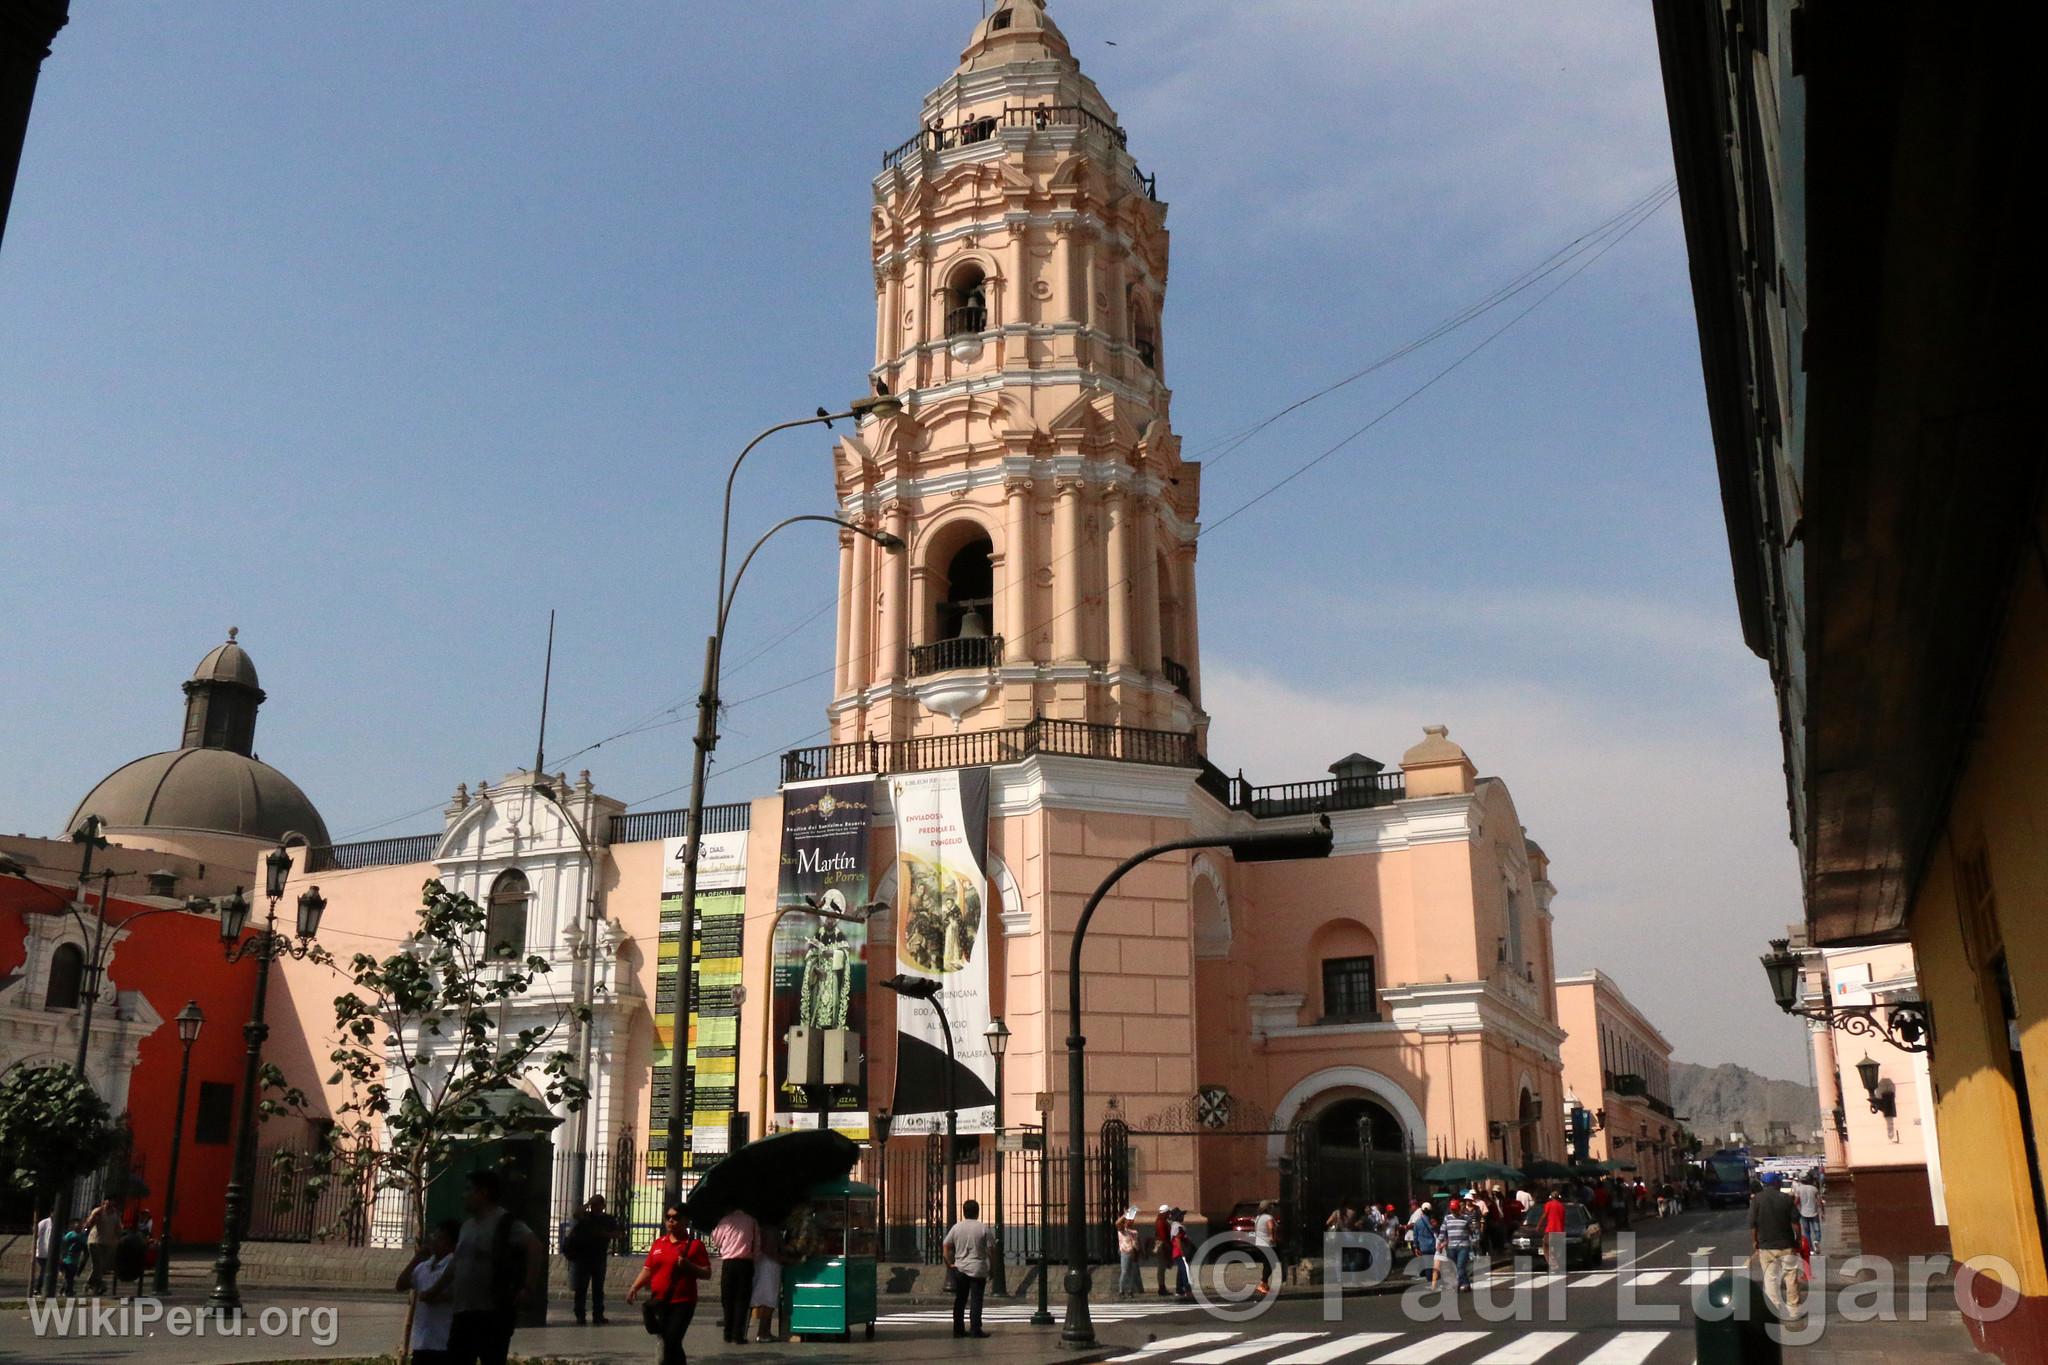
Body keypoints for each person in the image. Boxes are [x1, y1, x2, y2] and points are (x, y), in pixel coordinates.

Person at [446, 1168, 545, 1365]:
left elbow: (535, 1246)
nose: (464, 1195)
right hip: (463, 1311)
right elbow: (456, 1262)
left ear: (483, 1193)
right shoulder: (467, 1226)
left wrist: (528, 1287)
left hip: (492, 1312)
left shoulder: (504, 1223)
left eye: (469, 1190)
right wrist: (435, 1288)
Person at [627, 1205, 711, 1365]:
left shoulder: (695, 1245)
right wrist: (634, 1287)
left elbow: (707, 1273)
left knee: (672, 1338)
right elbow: (648, 1269)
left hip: (683, 1301)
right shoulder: (659, 1243)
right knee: (668, 1341)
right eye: (668, 1217)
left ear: (686, 1221)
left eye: (676, 1217)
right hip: (660, 1300)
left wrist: (689, 1267)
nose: (671, 1220)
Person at [396, 1219, 460, 1365]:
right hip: (422, 1342)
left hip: (444, 1342)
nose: (435, 1242)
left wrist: (439, 1297)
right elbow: (401, 1285)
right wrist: (417, 1258)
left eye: (441, 1239)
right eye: (434, 1237)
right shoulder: (423, 1266)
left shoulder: (453, 1266)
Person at [1749, 1172, 1806, 1319]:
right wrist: (1798, 1240)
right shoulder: (1786, 1199)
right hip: (1786, 1243)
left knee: (1770, 1278)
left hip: (1766, 1246)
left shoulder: (1757, 1200)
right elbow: (1795, 1223)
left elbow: (1753, 1224)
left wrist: (1755, 1241)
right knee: (1790, 1276)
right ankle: (1793, 1310)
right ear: (1775, 1184)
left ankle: (1774, 1309)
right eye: (1779, 1182)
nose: (1780, 1184)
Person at [562, 1194, 618, 1325]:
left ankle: (598, 1315)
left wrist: (603, 1234)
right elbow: (576, 1214)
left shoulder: (608, 1219)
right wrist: (588, 1203)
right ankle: (580, 1315)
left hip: (599, 1257)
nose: (595, 1207)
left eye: (598, 1204)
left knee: (598, 1289)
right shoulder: (586, 1217)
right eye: (594, 1204)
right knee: (581, 1288)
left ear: (603, 1206)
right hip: (583, 1257)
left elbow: (617, 1233)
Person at [943, 1197, 994, 1338]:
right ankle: (975, 1329)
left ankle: (958, 1329)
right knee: (976, 1300)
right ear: (977, 1212)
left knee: (960, 1299)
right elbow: (991, 1250)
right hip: (978, 1267)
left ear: (964, 1212)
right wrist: (992, 1267)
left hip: (960, 1268)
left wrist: (949, 1262)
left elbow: (946, 1245)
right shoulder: (983, 1228)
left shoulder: (956, 1227)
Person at [709, 1208, 760, 1345]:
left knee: (727, 1299)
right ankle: (738, 1334)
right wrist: (754, 1261)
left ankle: (728, 1332)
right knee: (742, 1300)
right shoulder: (752, 1221)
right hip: (745, 1263)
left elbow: (716, 1240)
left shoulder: (725, 1221)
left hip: (729, 1263)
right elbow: (756, 1245)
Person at [747, 1223, 787, 1343]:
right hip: (770, 1267)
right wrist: (786, 1259)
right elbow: (771, 1251)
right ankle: (763, 1332)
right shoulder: (771, 1231)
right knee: (768, 1300)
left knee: (766, 1299)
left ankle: (764, 1331)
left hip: (762, 1264)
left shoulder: (760, 1229)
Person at [84, 1197, 122, 1295]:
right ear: (104, 1203)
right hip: (95, 1242)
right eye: (107, 1204)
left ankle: (91, 1284)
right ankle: (97, 1285)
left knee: (101, 1267)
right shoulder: (98, 1211)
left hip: (108, 1243)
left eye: (112, 1204)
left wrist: (119, 1239)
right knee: (98, 1265)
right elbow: (88, 1224)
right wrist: (94, 1218)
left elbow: (118, 1228)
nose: (110, 1206)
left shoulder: (116, 1214)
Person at [1440, 1198, 1475, 1291]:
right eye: (1452, 1209)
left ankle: (1458, 1285)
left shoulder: (1466, 1218)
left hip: (1463, 1246)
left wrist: (1474, 1240)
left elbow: (1472, 1230)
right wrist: (1440, 1242)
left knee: (1460, 1266)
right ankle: (1466, 1283)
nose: (1453, 1211)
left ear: (1459, 1208)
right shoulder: (1447, 1218)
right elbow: (1443, 1230)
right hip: (1451, 1247)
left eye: (1455, 1209)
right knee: (1455, 1268)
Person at [1790, 1169, 1824, 1256]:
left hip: (1803, 1214)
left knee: (1807, 1232)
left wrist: (1792, 1209)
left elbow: (1796, 1201)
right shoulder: (1814, 1189)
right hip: (1814, 1213)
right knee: (1817, 1231)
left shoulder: (1799, 1189)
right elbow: (1819, 1201)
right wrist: (1822, 1212)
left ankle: (1811, 1249)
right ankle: (1816, 1240)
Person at [1252, 1200, 1280, 1295]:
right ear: (1268, 1208)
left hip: (1259, 1244)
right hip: (1267, 1244)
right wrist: (1273, 1237)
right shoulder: (1268, 1217)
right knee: (1271, 1264)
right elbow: (1271, 1227)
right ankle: (1262, 1283)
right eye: (1271, 1207)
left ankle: (1265, 1285)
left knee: (1267, 1264)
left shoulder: (1258, 1218)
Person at [1115, 1206, 1143, 1299]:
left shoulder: (1134, 1231)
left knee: (1132, 1272)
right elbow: (1117, 1223)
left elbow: (1137, 1242)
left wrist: (1139, 1252)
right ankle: (1121, 1290)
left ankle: (1130, 1290)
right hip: (1125, 1253)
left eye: (1132, 1220)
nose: (1132, 1221)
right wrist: (1124, 1215)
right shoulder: (1123, 1230)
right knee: (1125, 1271)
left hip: (1133, 1253)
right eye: (1130, 1220)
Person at [1541, 1188, 1569, 1273]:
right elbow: (1563, 1220)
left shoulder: (1548, 1204)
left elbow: (1544, 1215)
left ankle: (1554, 1265)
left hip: (1550, 1230)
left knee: (1545, 1247)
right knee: (1558, 1248)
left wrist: (1539, 1225)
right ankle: (1558, 1265)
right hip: (1560, 1230)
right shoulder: (1562, 1206)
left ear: (1551, 1197)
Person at [59, 1219, 86, 1297]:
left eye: (81, 1225)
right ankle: (68, 1291)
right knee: (69, 1276)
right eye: (78, 1225)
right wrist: (62, 1256)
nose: (80, 1226)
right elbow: (63, 1245)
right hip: (67, 1258)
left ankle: (63, 1290)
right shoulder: (70, 1235)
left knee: (70, 1276)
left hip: (75, 1259)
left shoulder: (83, 1235)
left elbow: (84, 1246)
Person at [1154, 1204, 1173, 1296]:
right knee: (1161, 1268)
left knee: (1162, 1268)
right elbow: (1163, 1237)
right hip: (1162, 1247)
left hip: (1162, 1246)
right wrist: (1168, 1247)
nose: (1169, 1214)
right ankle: (1161, 1288)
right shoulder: (1161, 1222)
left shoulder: (1161, 1221)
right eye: (1168, 1212)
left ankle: (1162, 1287)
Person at [32, 1212, 53, 1296]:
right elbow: (36, 1234)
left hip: (50, 1252)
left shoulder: (57, 1223)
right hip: (41, 1252)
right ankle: (37, 1289)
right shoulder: (44, 1223)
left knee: (46, 1271)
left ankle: (42, 1288)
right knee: (44, 1270)